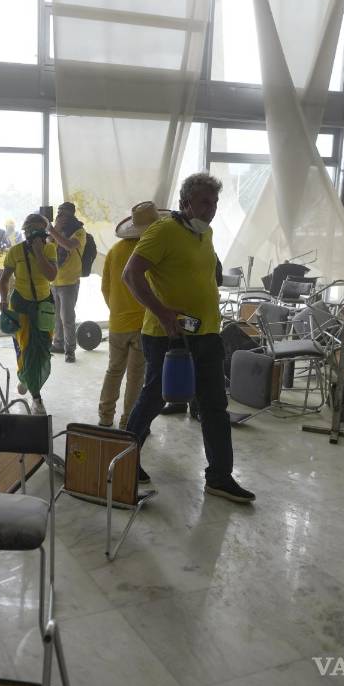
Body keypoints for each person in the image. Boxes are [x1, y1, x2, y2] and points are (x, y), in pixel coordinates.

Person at [122, 176, 254, 502]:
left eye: (215, 203)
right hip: (169, 336)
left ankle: (220, 477)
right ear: (185, 203)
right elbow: (131, 274)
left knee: (215, 407)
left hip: (207, 333)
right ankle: (122, 461)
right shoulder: (162, 231)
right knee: (154, 398)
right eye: (205, 203)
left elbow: (203, 273)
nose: (211, 210)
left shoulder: (204, 233)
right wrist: (163, 312)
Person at [97, 207, 158, 428]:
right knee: (135, 376)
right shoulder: (151, 250)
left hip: (117, 323)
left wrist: (116, 310)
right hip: (144, 324)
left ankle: (105, 416)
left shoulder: (114, 251)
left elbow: (105, 287)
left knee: (113, 370)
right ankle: (128, 421)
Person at [0, 212, 57, 415]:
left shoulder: (50, 249)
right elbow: (4, 279)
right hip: (21, 306)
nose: (36, 234)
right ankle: (36, 397)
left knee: (43, 349)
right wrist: (3, 299)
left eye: (40, 230)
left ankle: (25, 377)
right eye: (32, 230)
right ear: (26, 232)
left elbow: (51, 275)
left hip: (44, 305)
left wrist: (39, 252)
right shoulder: (15, 252)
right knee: (25, 349)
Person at [48, 202, 87, 363]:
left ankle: (70, 350)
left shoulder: (79, 231)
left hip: (70, 281)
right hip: (54, 281)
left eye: (63, 214)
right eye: (59, 213)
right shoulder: (57, 229)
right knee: (56, 316)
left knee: (67, 317)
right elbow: (48, 242)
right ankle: (58, 343)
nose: (60, 216)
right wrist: (54, 228)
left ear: (71, 215)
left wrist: (53, 231)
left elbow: (69, 245)